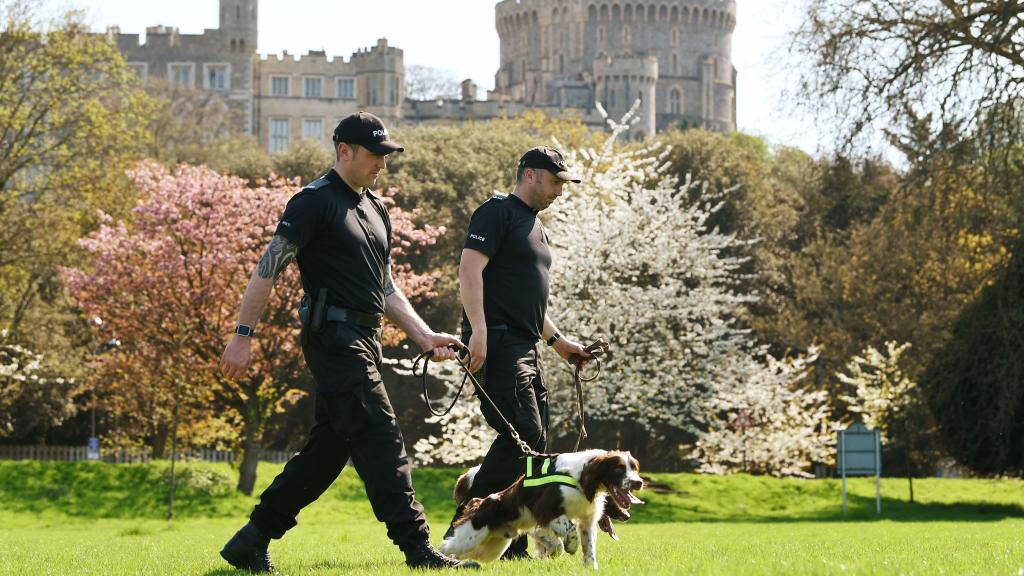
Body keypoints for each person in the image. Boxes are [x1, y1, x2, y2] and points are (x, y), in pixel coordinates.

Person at [218, 111, 477, 572]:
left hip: (367, 337)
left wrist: (421, 334)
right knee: (381, 435)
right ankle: (418, 550)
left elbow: (385, 285)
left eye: (386, 155)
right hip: (332, 338)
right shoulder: (312, 202)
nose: (382, 162)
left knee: (328, 451)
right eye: (374, 154)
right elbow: (268, 267)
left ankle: (251, 539)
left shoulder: (375, 210)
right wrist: (242, 335)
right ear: (344, 151)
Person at [446, 146, 592, 559]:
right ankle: (464, 526)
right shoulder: (496, 213)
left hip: (527, 345)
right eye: (556, 181)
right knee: (521, 436)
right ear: (531, 175)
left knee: (535, 442)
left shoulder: (535, 227)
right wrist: (478, 331)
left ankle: (510, 544)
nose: (561, 190)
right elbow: (469, 270)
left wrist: (560, 344)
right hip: (496, 341)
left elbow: (527, 301)